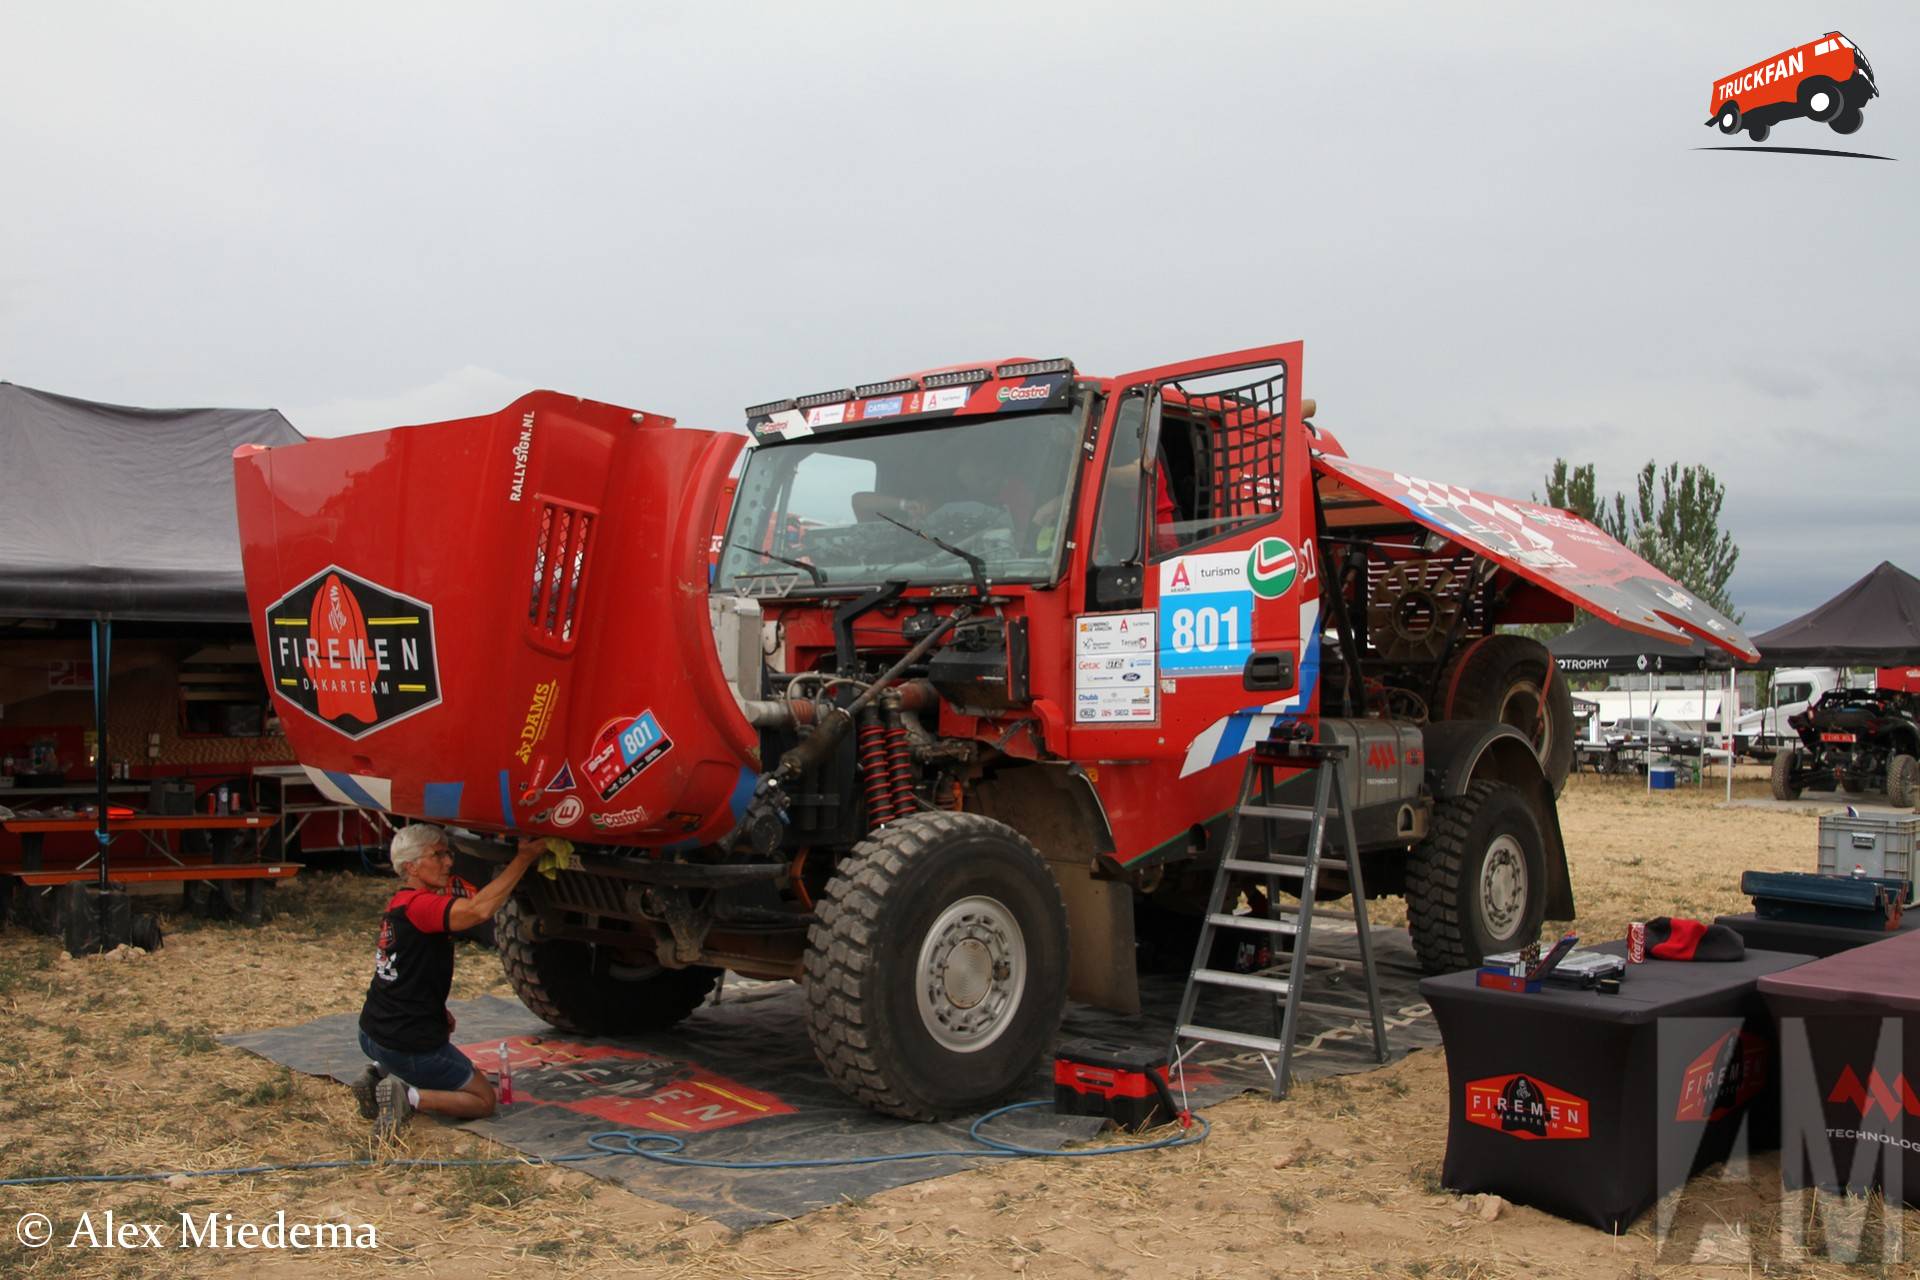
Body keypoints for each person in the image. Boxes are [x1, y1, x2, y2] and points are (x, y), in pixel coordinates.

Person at [352, 824, 544, 1135]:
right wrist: (523, 859)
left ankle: (376, 1075)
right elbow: (479, 910)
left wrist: (436, 1012)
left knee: (440, 1028)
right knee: (483, 1100)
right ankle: (408, 1097)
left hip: (371, 1032)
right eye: (438, 855)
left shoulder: (400, 903)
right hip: (405, 1043)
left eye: (448, 853)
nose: (448, 862)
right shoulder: (422, 906)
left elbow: (405, 973)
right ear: (411, 867)